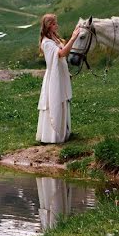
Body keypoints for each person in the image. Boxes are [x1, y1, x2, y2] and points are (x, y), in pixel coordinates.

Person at [36, 14, 79, 143]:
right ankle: (53, 135)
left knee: (62, 100)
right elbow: (61, 54)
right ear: (49, 26)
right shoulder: (47, 42)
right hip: (54, 77)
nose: (57, 25)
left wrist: (66, 72)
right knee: (55, 101)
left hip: (60, 74)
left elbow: (60, 58)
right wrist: (73, 38)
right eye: (54, 23)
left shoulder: (54, 38)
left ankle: (63, 132)